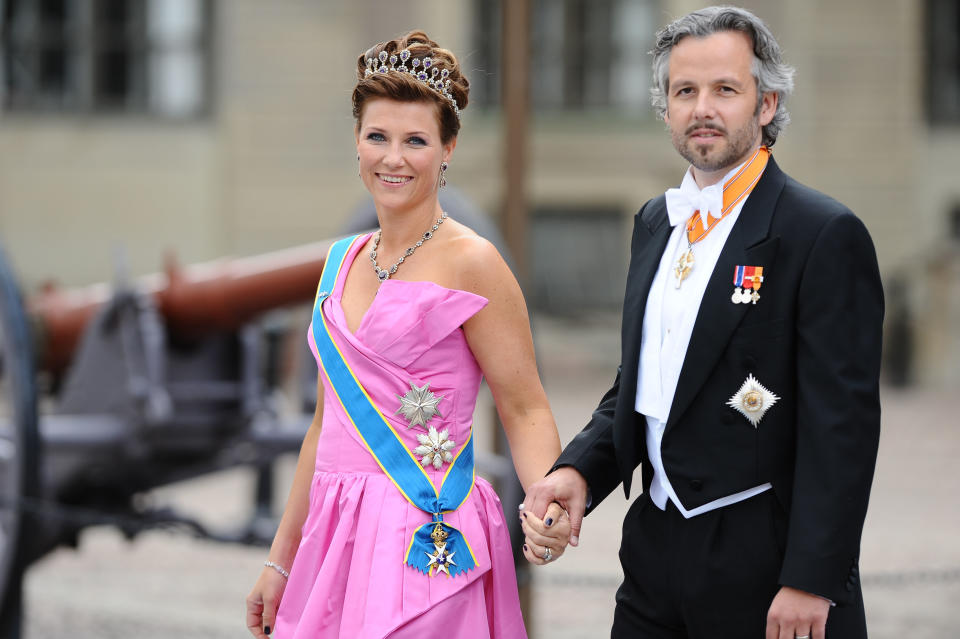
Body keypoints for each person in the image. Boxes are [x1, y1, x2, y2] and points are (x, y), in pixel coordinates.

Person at [522, 6, 883, 639]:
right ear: (664, 107)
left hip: (768, 565)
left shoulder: (822, 234)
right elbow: (646, 382)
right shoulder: (654, 223)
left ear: (767, 103)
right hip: (654, 553)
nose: (702, 108)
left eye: (725, 90)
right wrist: (578, 469)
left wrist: (811, 578)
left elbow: (843, 429)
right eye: (684, 91)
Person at [245, 31, 569, 639]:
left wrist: (546, 499)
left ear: (448, 148)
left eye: (415, 141)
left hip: (427, 536)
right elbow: (324, 428)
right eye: (378, 137)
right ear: (357, 143)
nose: (393, 158)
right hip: (334, 536)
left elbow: (524, 406)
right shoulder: (339, 260)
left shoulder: (475, 261)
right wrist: (279, 561)